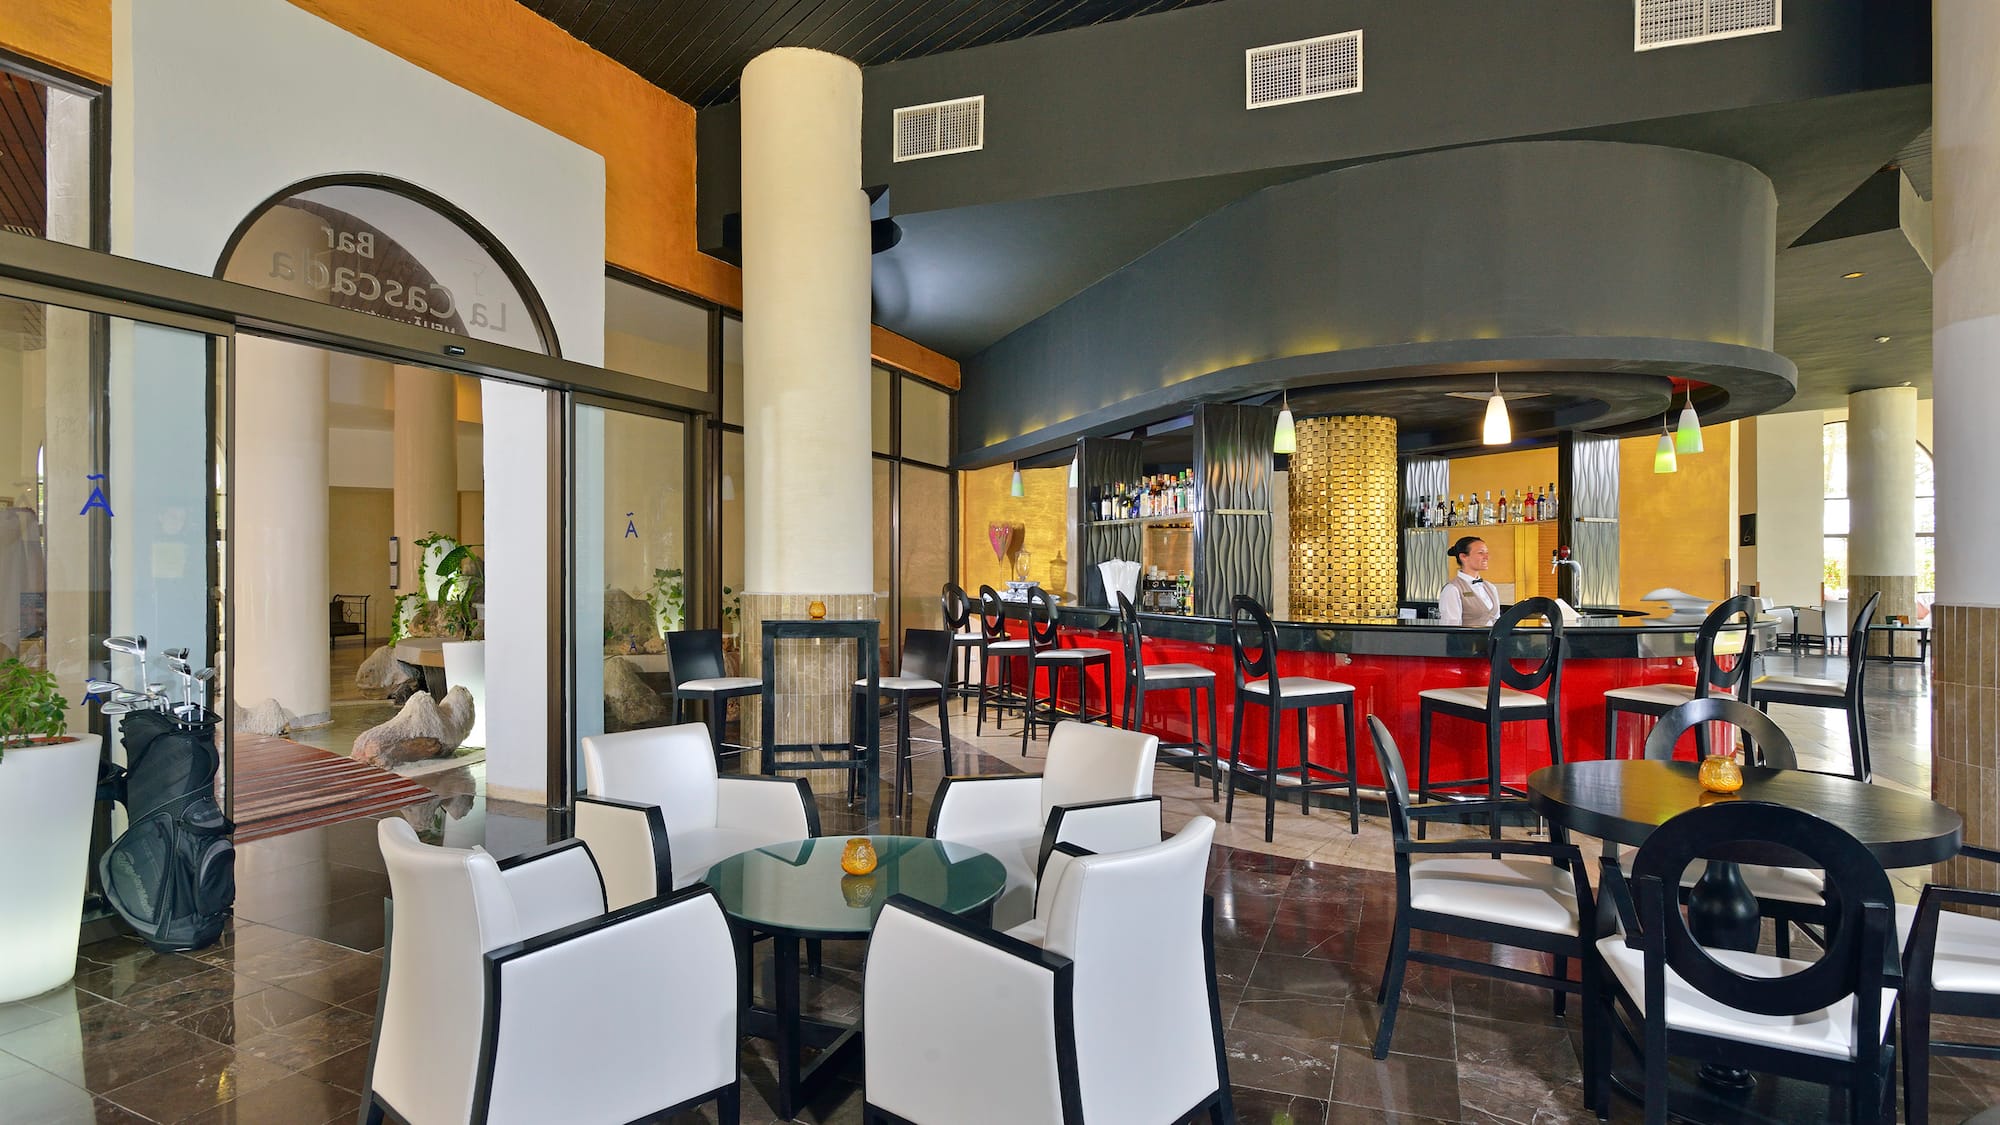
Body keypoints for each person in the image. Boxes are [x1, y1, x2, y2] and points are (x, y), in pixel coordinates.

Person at [1438, 536, 1499, 627]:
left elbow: (1497, 620)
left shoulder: (1491, 587)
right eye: (1481, 553)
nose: (1487, 557)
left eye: (1487, 553)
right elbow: (1451, 627)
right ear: (1463, 557)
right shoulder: (1452, 589)